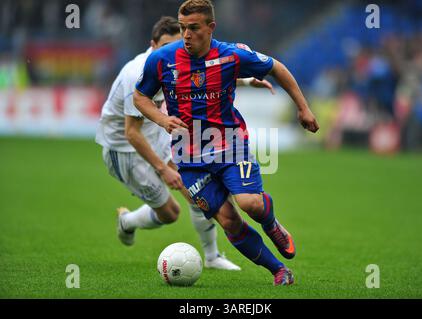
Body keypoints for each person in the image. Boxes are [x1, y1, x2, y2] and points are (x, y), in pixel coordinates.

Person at [134, 1, 319, 286]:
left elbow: (276, 68)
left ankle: (271, 224)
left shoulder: (231, 55)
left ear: (211, 28)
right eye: (183, 28)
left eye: (193, 28)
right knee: (229, 221)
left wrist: (303, 108)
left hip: (230, 144)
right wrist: (162, 120)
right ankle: (279, 271)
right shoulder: (162, 59)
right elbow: (140, 97)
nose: (186, 35)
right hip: (189, 157)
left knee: (250, 204)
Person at [95, 16, 273, 271]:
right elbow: (132, 133)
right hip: (123, 148)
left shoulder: (177, 62)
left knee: (196, 192)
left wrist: (246, 80)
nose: (173, 51)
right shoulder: (136, 73)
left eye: (177, 44)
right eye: (165, 45)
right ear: (152, 45)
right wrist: (163, 168)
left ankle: (211, 257)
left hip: (156, 133)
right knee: (170, 213)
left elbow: (206, 76)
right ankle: (128, 222)